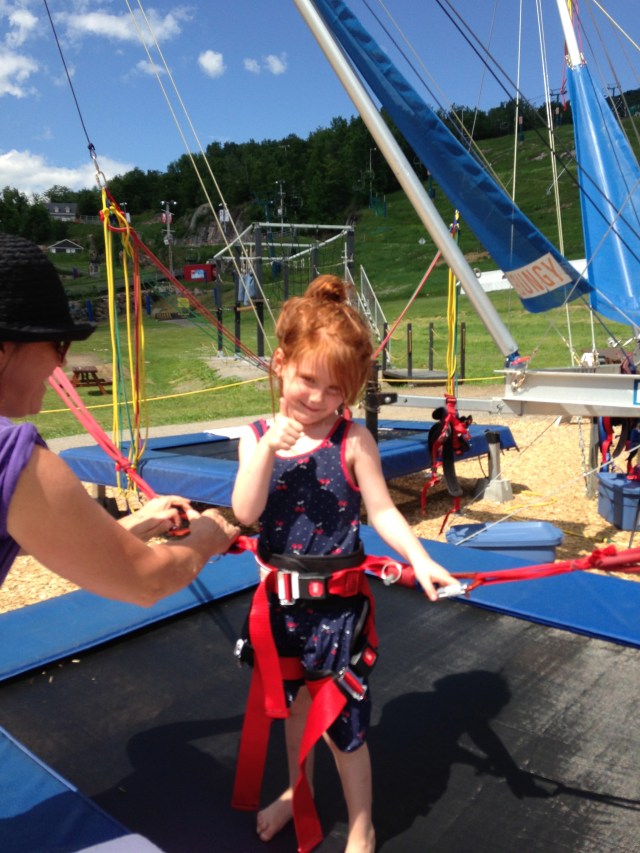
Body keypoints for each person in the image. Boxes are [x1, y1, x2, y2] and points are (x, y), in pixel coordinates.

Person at [231, 274, 456, 853]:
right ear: (280, 364)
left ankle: (362, 822)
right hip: (279, 614)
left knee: (345, 731)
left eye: (334, 390)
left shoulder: (352, 440)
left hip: (337, 618)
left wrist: (421, 560)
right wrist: (266, 453)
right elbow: (245, 511)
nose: (316, 398)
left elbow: (381, 512)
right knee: (292, 716)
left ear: (349, 394)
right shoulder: (253, 438)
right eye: (307, 379)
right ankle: (294, 792)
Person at [0, 232, 238, 605]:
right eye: (58, 344)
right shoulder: (11, 455)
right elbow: (146, 581)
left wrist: (135, 525)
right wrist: (209, 535)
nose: (62, 362)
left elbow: (43, 534)